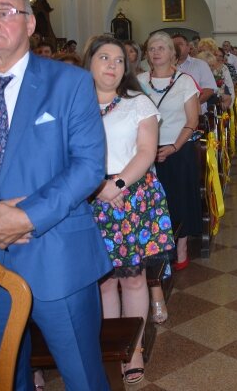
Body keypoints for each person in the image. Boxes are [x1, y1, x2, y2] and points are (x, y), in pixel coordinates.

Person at [0, 0, 111, 389]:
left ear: (30, 22)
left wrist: (25, 216)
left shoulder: (69, 83)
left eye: (4, 11)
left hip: (58, 254)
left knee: (82, 376)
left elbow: (89, 166)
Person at [84, 36, 175, 385]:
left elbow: (146, 151)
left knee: (134, 278)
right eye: (104, 57)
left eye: (119, 60)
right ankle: (111, 348)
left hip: (133, 195)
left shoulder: (138, 102)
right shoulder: (75, 103)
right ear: (89, 62)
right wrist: (97, 188)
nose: (111, 65)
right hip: (90, 197)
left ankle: (134, 349)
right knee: (104, 282)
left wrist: (116, 186)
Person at [138, 32, 200, 273]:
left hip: (178, 148)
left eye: (161, 47)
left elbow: (192, 120)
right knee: (152, 202)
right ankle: (156, 248)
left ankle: (181, 246)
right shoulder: (139, 81)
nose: (156, 52)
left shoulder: (184, 81)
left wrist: (173, 147)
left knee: (178, 199)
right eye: (152, 48)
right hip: (145, 151)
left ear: (173, 53)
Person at [173, 34, 216, 112]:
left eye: (180, 44)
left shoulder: (200, 64)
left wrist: (190, 105)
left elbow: (208, 89)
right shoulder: (165, 66)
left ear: (188, 47)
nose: (176, 47)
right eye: (173, 45)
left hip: (196, 112)